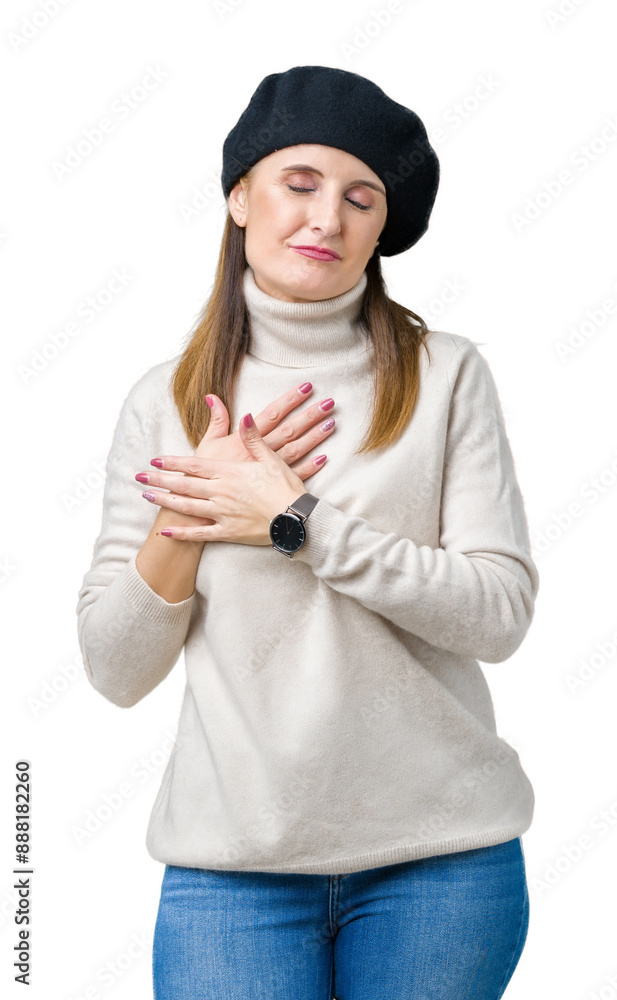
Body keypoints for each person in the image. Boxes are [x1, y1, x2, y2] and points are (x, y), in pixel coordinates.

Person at [76, 65, 539, 999]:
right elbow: (114, 671)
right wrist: (192, 511)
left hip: (441, 863)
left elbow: (498, 615)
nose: (326, 218)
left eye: (360, 199)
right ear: (239, 197)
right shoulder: (163, 403)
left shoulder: (446, 377)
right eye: (299, 183)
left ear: (381, 228)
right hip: (230, 869)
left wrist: (294, 522)